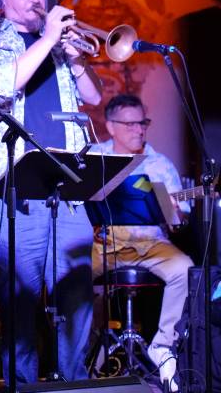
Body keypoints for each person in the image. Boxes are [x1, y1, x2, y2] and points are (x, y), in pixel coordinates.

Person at [0, 0, 102, 384]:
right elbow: (3, 85)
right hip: (16, 189)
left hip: (68, 185)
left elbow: (94, 96)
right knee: (19, 302)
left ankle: (74, 383)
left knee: (76, 296)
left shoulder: (57, 45)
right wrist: (48, 39)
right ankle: (21, 386)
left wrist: (77, 61)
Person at [92, 94, 192, 391]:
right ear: (111, 126)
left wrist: (173, 211)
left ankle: (163, 345)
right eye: (130, 124)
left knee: (184, 268)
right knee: (67, 274)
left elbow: (177, 223)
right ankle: (88, 347)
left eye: (143, 123)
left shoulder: (160, 164)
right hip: (102, 242)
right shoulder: (95, 157)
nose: (139, 130)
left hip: (150, 243)